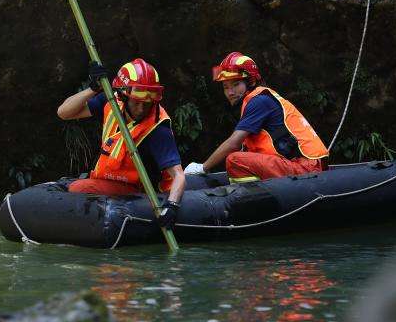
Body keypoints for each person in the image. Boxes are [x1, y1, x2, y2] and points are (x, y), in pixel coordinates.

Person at [57, 58, 185, 228]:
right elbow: (63, 113)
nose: (141, 109)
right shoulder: (111, 101)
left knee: (79, 189)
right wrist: (93, 89)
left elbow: (178, 175)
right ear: (124, 96)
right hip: (109, 182)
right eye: (136, 102)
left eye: (146, 104)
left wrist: (172, 206)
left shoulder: (158, 127)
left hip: (139, 192)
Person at [184, 52, 328, 182]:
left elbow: (234, 142)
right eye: (225, 87)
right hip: (301, 164)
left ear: (251, 82)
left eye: (236, 84)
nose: (230, 92)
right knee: (243, 156)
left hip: (305, 168)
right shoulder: (259, 99)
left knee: (235, 160)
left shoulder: (259, 101)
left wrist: (202, 167)